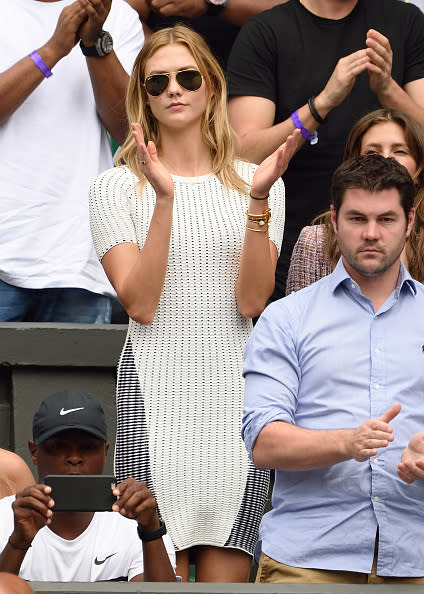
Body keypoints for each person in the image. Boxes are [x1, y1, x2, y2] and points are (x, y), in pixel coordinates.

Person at [89, 24, 296, 581]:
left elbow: (253, 300)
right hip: (154, 393)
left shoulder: (262, 182)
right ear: (144, 96)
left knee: (228, 575)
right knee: (158, 570)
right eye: (158, 82)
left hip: (237, 395)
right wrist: (164, 199)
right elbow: (141, 304)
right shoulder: (112, 188)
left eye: (188, 76)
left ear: (212, 86)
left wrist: (255, 199)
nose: (174, 89)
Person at [242, 154, 424, 583]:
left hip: (417, 554)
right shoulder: (286, 318)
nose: (372, 233)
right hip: (308, 559)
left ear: (410, 221)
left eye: (387, 219)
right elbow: (264, 442)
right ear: (335, 221)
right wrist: (348, 442)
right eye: (357, 218)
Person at [227, 0, 424, 299]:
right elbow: (245, 156)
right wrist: (320, 105)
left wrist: (387, 89)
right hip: (298, 245)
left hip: (406, 240)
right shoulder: (266, 32)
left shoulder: (404, 19)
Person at [0, 0, 144, 323]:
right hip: (5, 247)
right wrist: (52, 50)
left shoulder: (118, 15)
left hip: (78, 256)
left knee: (73, 372)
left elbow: (128, 131)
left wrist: (95, 45)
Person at [0, 390, 176, 582]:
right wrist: (18, 542)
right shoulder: (5, 518)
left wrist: (150, 530)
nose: (74, 458)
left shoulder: (132, 520)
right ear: (34, 452)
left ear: (105, 452)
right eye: (58, 446)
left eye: (89, 447)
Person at [286, 109, 424, 293]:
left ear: (420, 167)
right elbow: (299, 315)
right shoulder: (315, 241)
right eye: (372, 152)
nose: (385, 159)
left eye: (399, 151)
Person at [125, 0, 287, 69]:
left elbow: (295, 14)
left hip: (257, 83)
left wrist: (209, 3)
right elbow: (126, 12)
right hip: (175, 90)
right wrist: (166, 64)